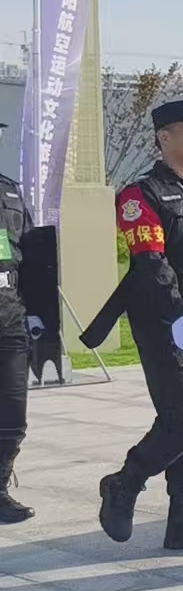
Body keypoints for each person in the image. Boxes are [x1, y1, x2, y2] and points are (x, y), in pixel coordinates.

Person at [95, 100, 183, 553]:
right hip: (166, 320)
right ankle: (125, 481)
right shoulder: (142, 195)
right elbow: (150, 261)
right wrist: (177, 313)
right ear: (164, 137)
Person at [0, 129, 55, 526]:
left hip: (9, 313)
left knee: (12, 413)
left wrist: (36, 311)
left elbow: (31, 256)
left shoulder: (10, 191)